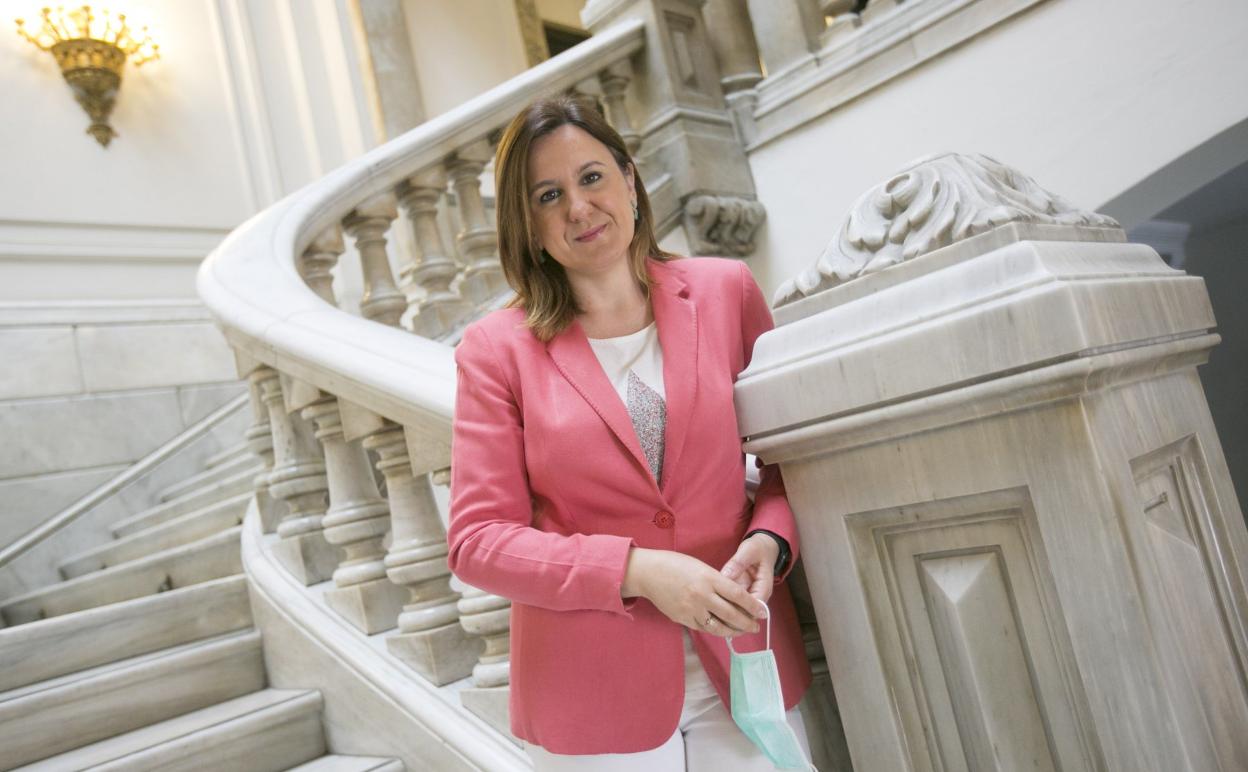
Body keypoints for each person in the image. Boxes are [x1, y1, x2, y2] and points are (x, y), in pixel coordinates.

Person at [446, 95, 812, 770]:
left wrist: (772, 536)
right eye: (548, 195)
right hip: (591, 692)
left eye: (591, 178)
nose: (578, 208)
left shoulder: (725, 292)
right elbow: (477, 541)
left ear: (630, 181)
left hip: (743, 655)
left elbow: (795, 457)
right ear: (525, 227)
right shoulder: (495, 350)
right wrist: (637, 570)